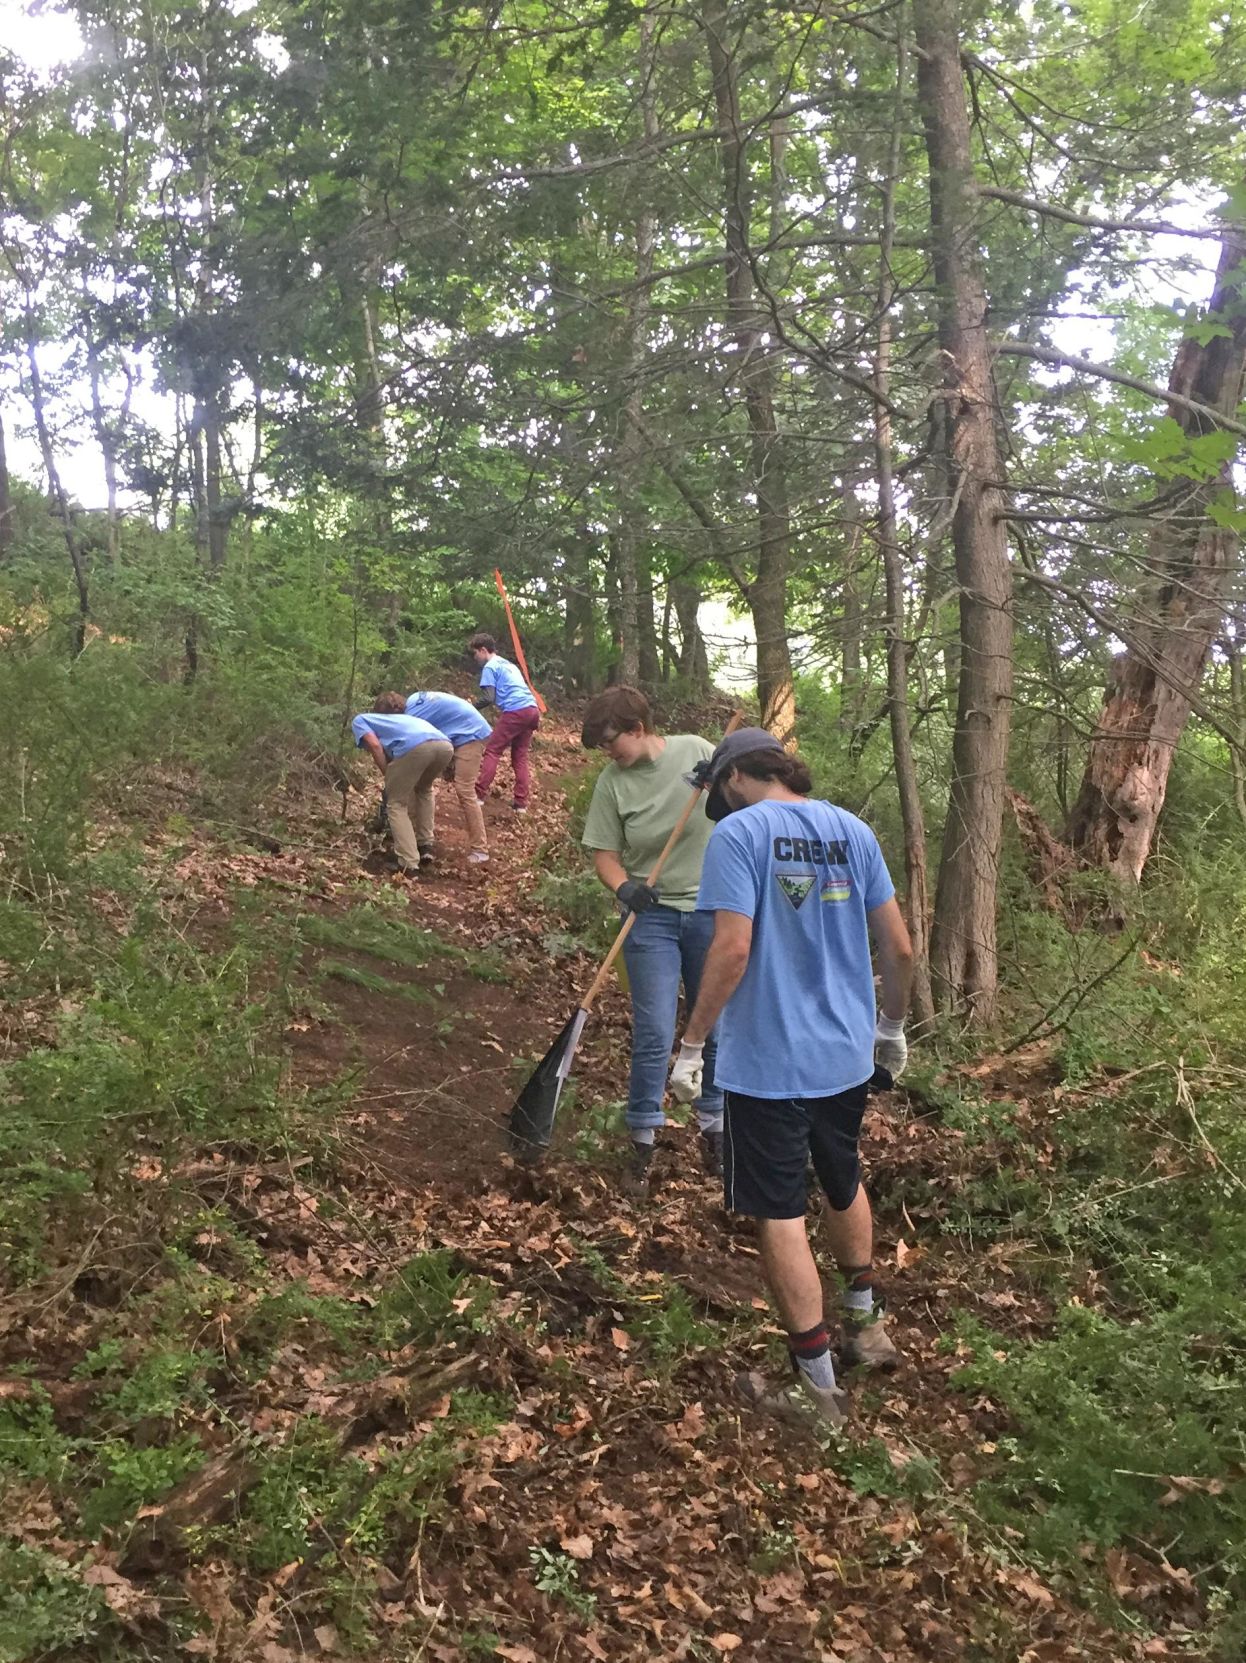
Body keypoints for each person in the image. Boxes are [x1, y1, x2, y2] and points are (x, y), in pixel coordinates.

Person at [667, 728, 913, 1427]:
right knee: (843, 1177)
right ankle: (866, 1325)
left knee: (779, 1210)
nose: (720, 801)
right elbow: (899, 945)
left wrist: (691, 1044)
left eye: (719, 789)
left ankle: (816, 1387)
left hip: (768, 1061)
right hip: (844, 1056)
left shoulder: (740, 836)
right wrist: (890, 1028)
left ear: (738, 775)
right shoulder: (853, 830)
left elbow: (733, 946)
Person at [580, 687, 724, 1183]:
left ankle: (715, 1129)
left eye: (611, 741)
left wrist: (716, 788)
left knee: (712, 1026)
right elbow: (604, 853)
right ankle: (642, 1139)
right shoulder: (611, 782)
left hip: (710, 910)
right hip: (651, 920)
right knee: (655, 1032)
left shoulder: (699, 752)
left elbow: (743, 806)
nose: (608, 753)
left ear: (638, 729)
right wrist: (625, 888)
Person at [351, 693, 454, 878]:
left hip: (417, 747)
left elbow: (374, 746)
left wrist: (387, 772)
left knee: (396, 803)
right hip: (444, 745)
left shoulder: (362, 719)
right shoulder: (409, 720)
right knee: (423, 789)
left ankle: (408, 862)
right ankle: (425, 845)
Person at [405, 689, 493, 865]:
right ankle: (421, 838)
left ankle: (480, 849)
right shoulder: (412, 701)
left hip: (470, 733)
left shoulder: (411, 717)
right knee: (422, 784)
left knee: (464, 789)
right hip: (459, 729)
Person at [468, 631, 540, 814]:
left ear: (483, 650)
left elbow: (488, 698)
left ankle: (478, 795)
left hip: (516, 710)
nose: (475, 658)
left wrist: (469, 708)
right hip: (532, 709)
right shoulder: (508, 664)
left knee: (492, 750)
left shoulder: (490, 667)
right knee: (520, 756)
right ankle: (521, 804)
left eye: (475, 653)